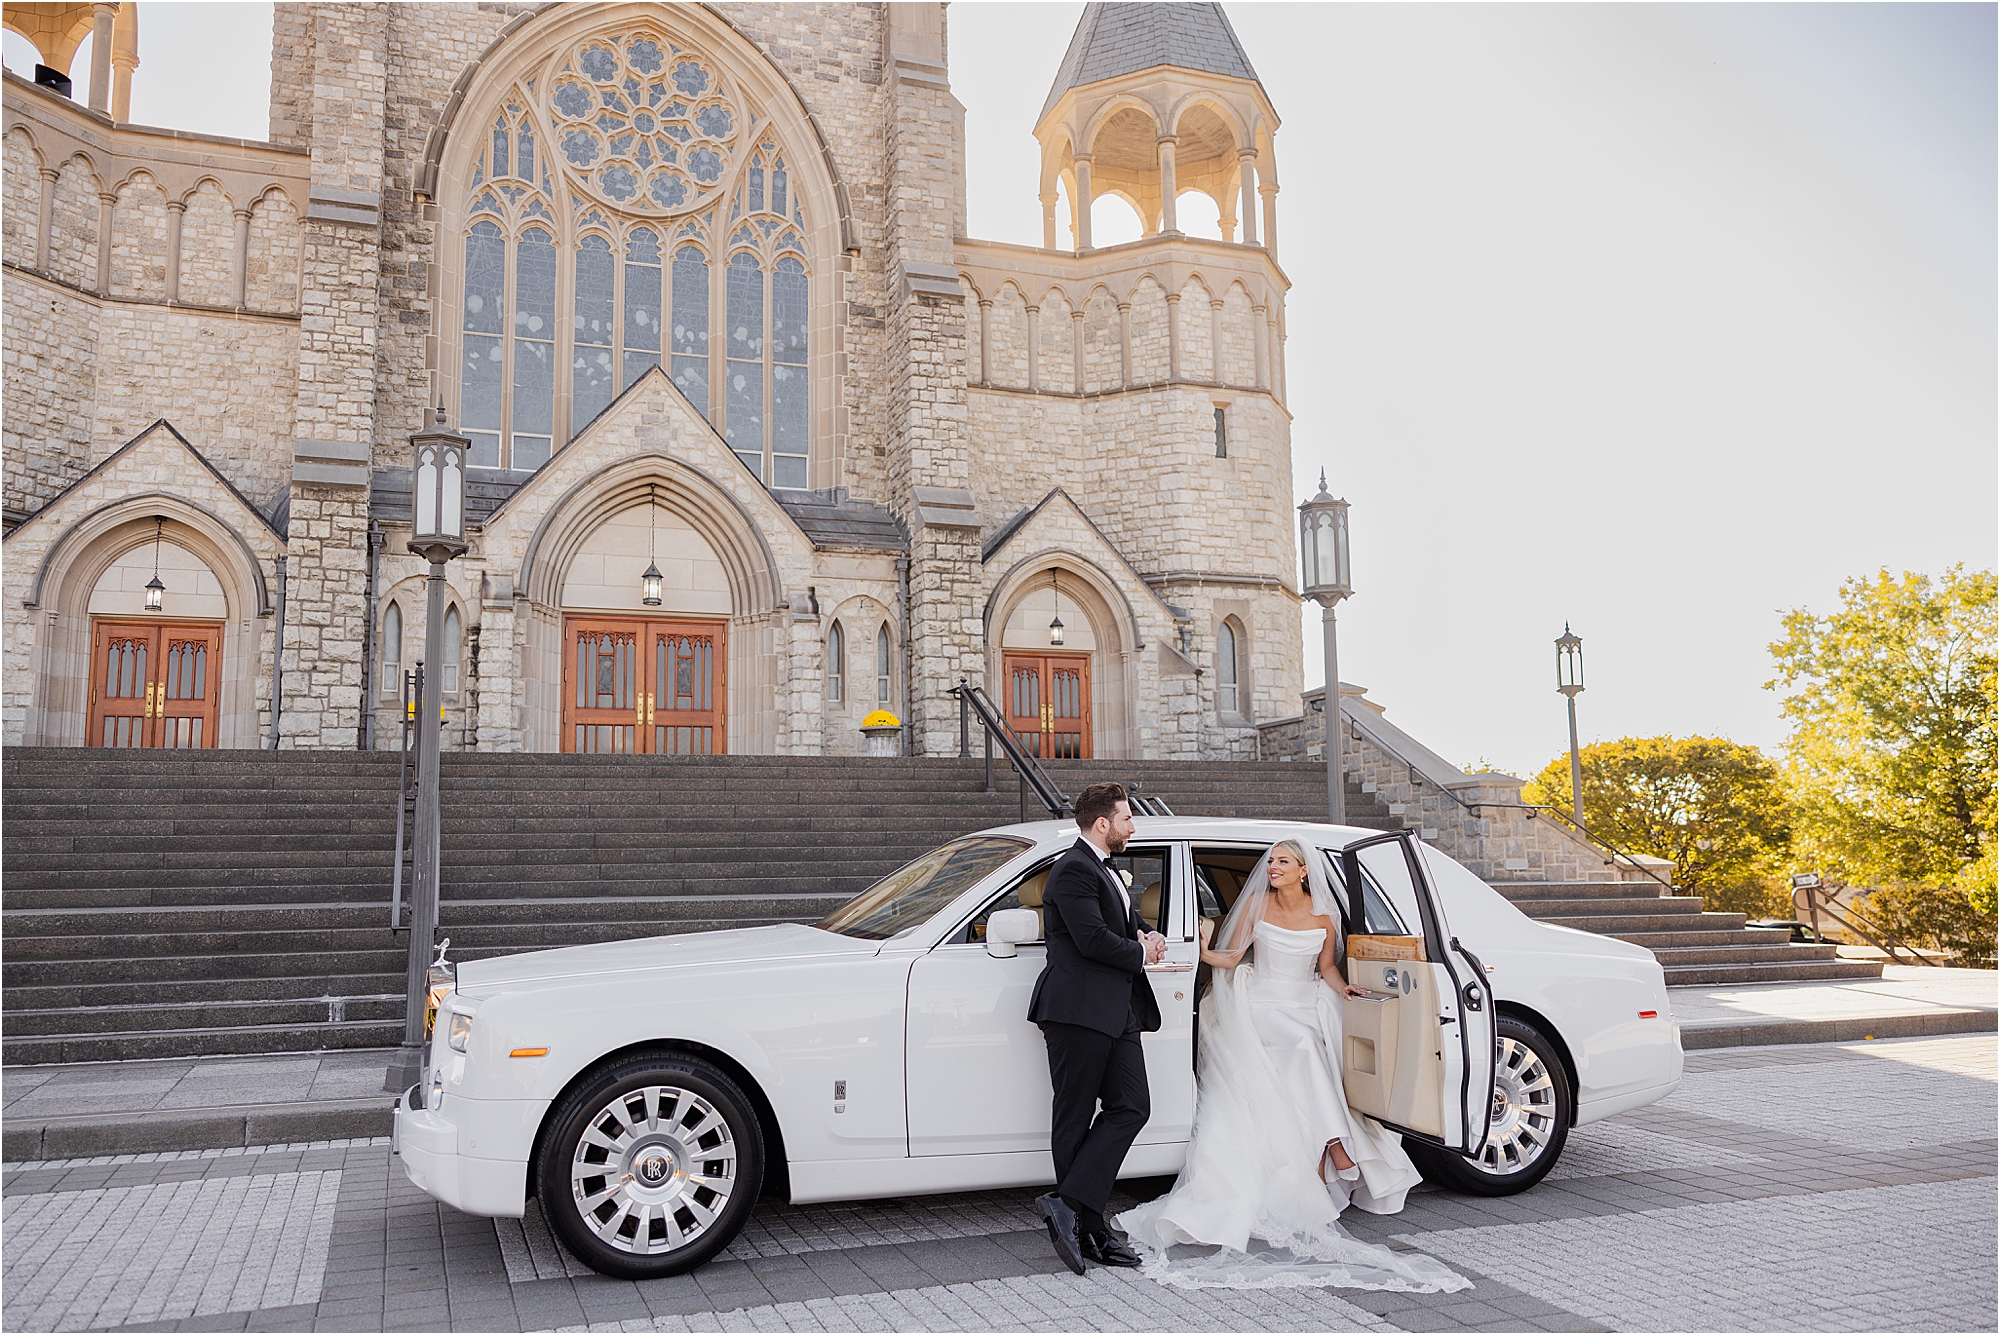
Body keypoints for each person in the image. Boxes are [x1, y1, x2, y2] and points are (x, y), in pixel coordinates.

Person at [1115, 840, 1470, 1292]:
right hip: (1262, 1000)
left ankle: (1328, 1149)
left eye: (1283, 862)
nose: (1273, 869)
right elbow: (1234, 956)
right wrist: (1202, 952)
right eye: (1271, 862)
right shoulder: (1257, 905)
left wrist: (1346, 992)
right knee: (1304, 1046)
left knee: (1315, 1040)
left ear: (1304, 871)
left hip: (1306, 1000)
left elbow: (1327, 969)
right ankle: (1337, 1148)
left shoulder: (1325, 917)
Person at [1027, 782, 1169, 1274]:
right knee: (1074, 1116)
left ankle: (1067, 1204)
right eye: (1127, 819)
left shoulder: (1107, 870)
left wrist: (1143, 934)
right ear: (1102, 824)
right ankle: (1092, 1228)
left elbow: (1117, 926)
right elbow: (1089, 940)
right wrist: (1140, 953)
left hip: (1118, 1010)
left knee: (1132, 1107)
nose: (1134, 827)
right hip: (1077, 1010)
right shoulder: (1070, 870)